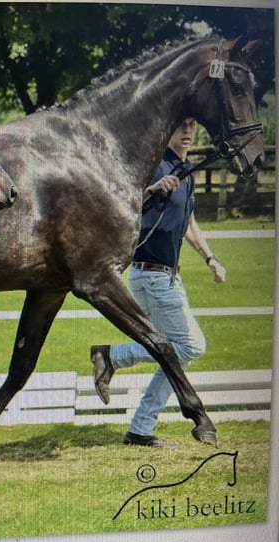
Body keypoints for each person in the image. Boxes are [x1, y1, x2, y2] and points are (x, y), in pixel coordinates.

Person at [90, 117, 227, 448]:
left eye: (192, 126)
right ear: (168, 130)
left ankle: (140, 428)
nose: (188, 132)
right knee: (191, 346)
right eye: (181, 126)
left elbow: (188, 222)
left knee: (179, 357)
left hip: (169, 276)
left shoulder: (187, 170)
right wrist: (153, 189)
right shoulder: (152, 165)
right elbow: (119, 204)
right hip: (150, 273)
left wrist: (210, 258)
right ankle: (112, 356)